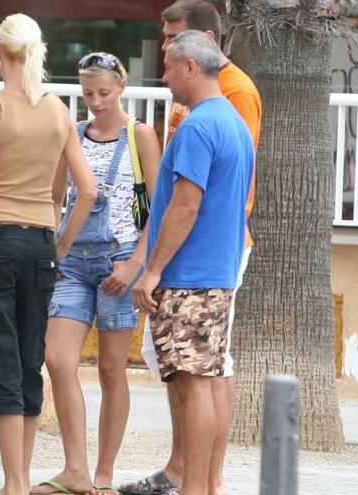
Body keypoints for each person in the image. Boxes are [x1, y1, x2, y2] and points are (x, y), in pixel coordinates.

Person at [0, 14, 97, 495]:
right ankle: (23, 479)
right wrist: (58, 244)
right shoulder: (58, 111)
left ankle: (13, 484)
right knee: (29, 358)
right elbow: (88, 191)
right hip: (39, 246)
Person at [121, 2, 261, 494]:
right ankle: (203, 484)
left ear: (189, 66)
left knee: (193, 381)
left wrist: (153, 269)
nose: (163, 76)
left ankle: (196, 487)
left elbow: (185, 205)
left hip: (191, 274)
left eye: (166, 65)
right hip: (215, 272)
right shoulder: (232, 122)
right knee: (208, 375)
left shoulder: (202, 125)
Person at [32, 53, 161, 495]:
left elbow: (157, 210)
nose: (96, 101)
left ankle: (103, 474)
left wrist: (135, 265)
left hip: (119, 260)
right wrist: (52, 241)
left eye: (104, 92)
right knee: (59, 359)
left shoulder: (139, 133)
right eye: (88, 93)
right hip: (70, 261)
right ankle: (76, 468)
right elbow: (56, 194)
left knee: (110, 368)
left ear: (121, 85)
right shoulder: (74, 132)